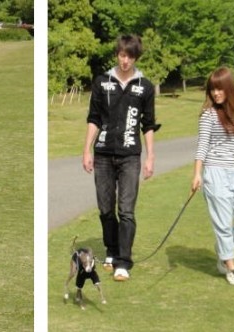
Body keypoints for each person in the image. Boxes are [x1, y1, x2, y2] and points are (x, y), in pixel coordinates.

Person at [82, 34, 160, 282]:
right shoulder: (102, 82)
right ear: (117, 54)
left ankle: (123, 262)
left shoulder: (144, 86)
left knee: (126, 210)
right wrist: (86, 149)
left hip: (130, 156)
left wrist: (150, 157)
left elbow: (147, 124)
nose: (125, 60)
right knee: (106, 209)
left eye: (130, 56)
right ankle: (112, 250)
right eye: (122, 55)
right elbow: (94, 118)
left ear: (136, 58)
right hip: (103, 154)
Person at [191, 67, 234, 286]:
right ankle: (230, 266)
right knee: (222, 223)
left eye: (220, 88)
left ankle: (223, 249)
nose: (216, 93)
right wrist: (197, 174)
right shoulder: (208, 115)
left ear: (229, 88)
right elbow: (202, 146)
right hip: (215, 173)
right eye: (212, 89)